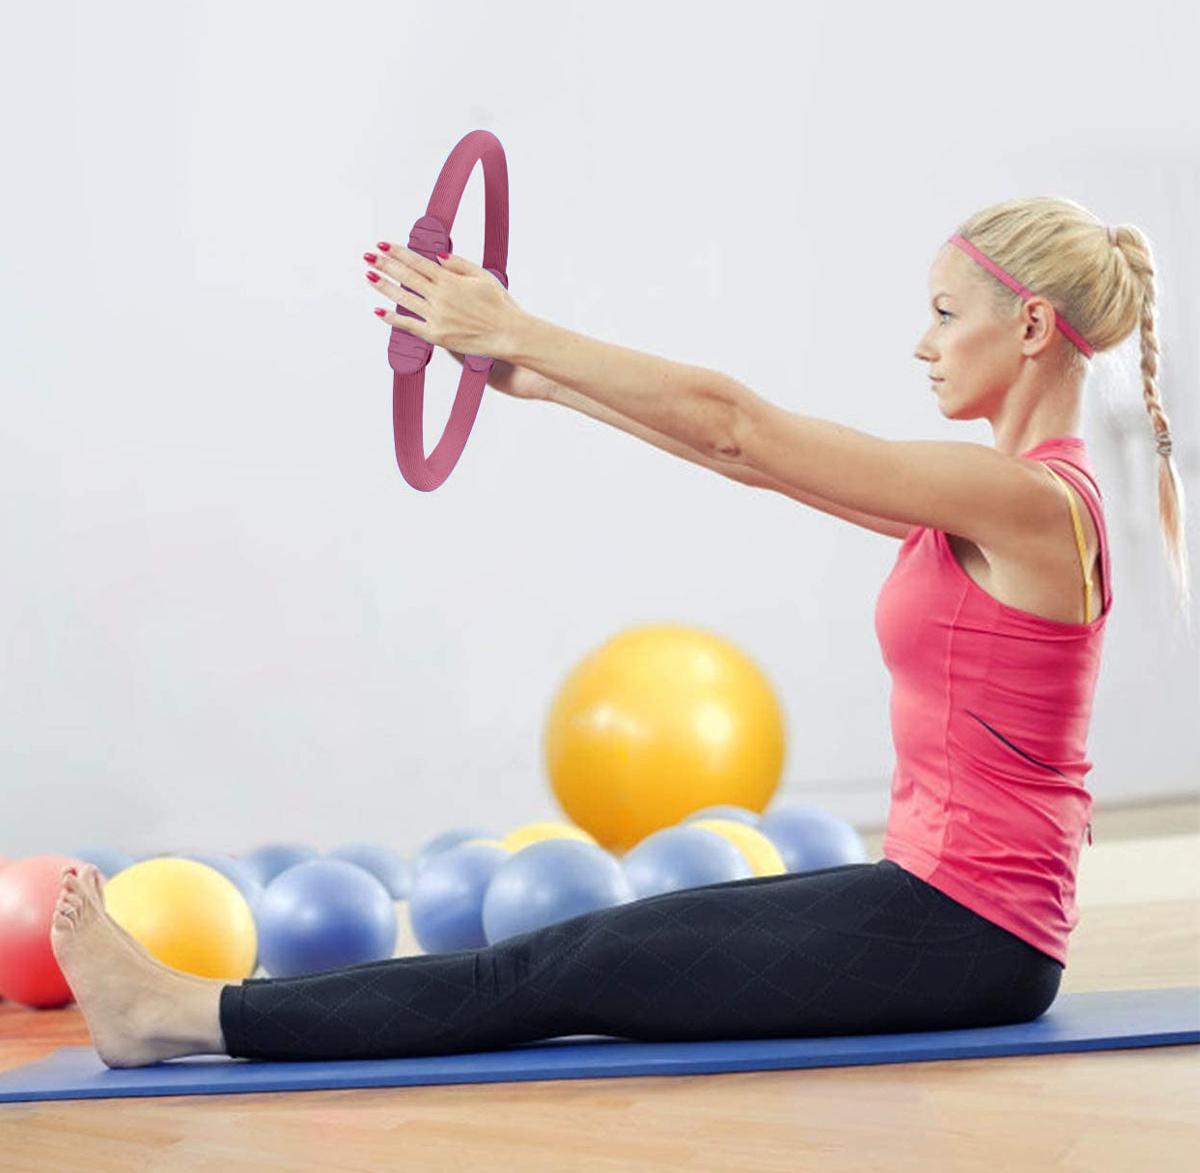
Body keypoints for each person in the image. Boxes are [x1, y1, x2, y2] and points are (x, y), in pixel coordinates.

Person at [50, 196, 1187, 1068]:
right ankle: (184, 1012)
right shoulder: (993, 500)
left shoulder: (1029, 502)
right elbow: (748, 464)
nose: (922, 343)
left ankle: (181, 1016)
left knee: (559, 969)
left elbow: (742, 427)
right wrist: (538, 378)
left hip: (967, 934)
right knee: (587, 947)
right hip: (943, 910)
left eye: (944, 313)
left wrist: (520, 325)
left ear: (1030, 325)